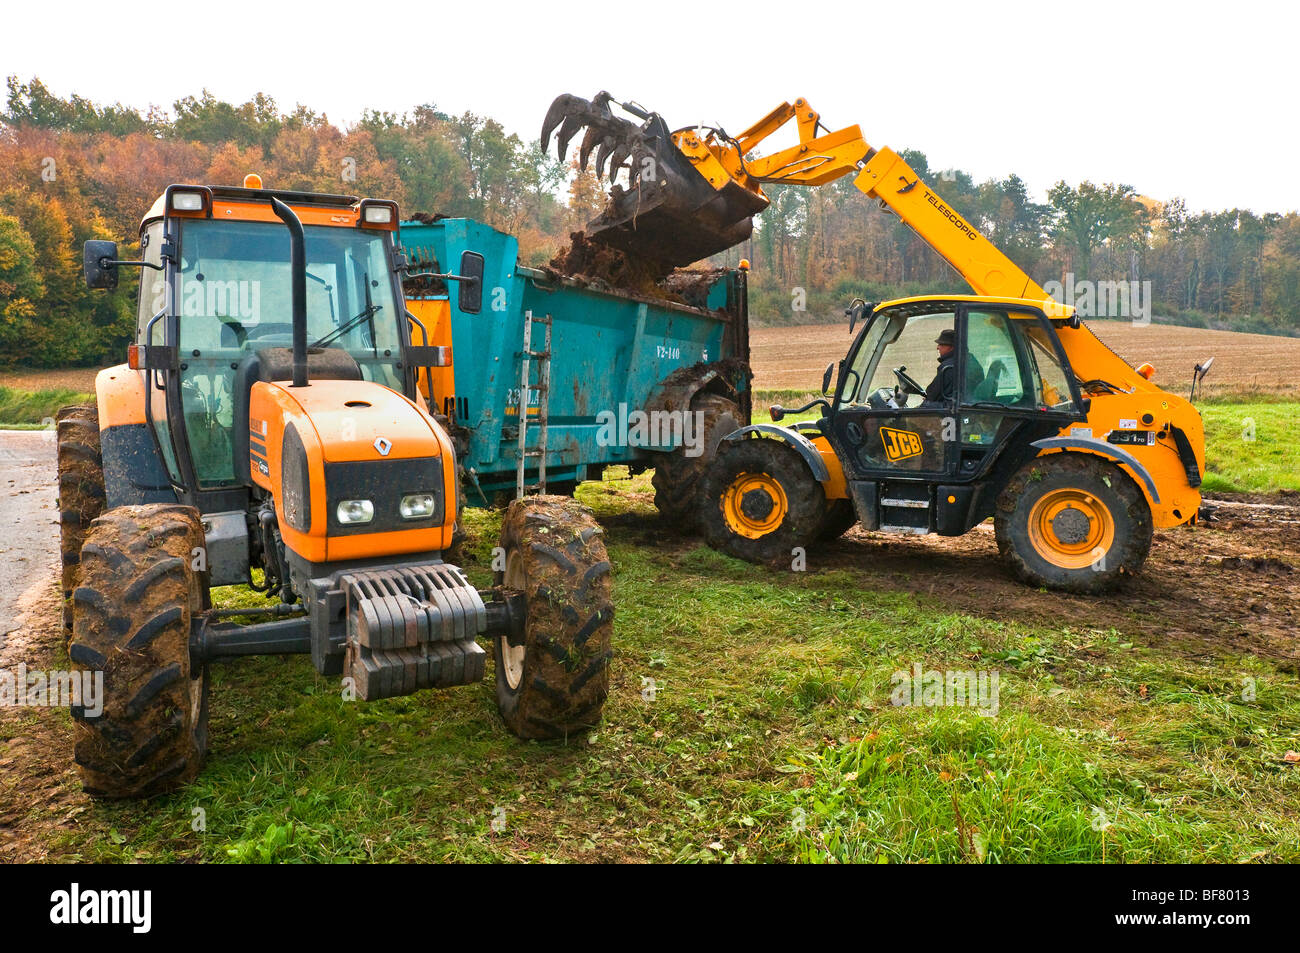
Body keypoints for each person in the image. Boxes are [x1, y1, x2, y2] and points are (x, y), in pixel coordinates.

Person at [923, 328, 983, 404]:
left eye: (941, 344)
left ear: (951, 347)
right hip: (967, 404)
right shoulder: (971, 360)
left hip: (950, 408)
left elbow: (932, 394)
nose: (938, 347)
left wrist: (927, 399)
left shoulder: (947, 366)